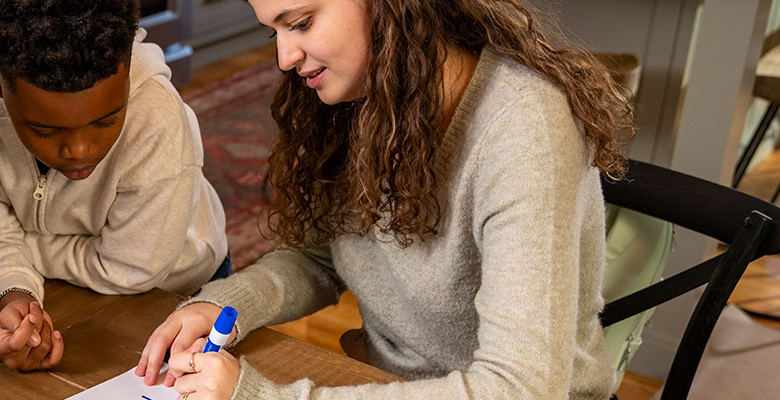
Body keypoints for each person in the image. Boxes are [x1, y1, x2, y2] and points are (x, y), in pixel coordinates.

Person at [136, 0, 635, 398]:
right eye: (275, 32)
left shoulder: (527, 129)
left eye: (302, 23)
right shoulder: (367, 100)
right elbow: (318, 258)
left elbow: (520, 389)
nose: (284, 58)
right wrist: (224, 305)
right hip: (383, 383)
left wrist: (263, 396)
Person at [0, 0, 229, 371]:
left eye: (106, 120)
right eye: (44, 129)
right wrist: (15, 296)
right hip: (58, 291)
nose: (80, 151)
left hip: (178, 291)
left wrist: (11, 244)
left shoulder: (157, 117)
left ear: (128, 68)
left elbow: (131, 269)